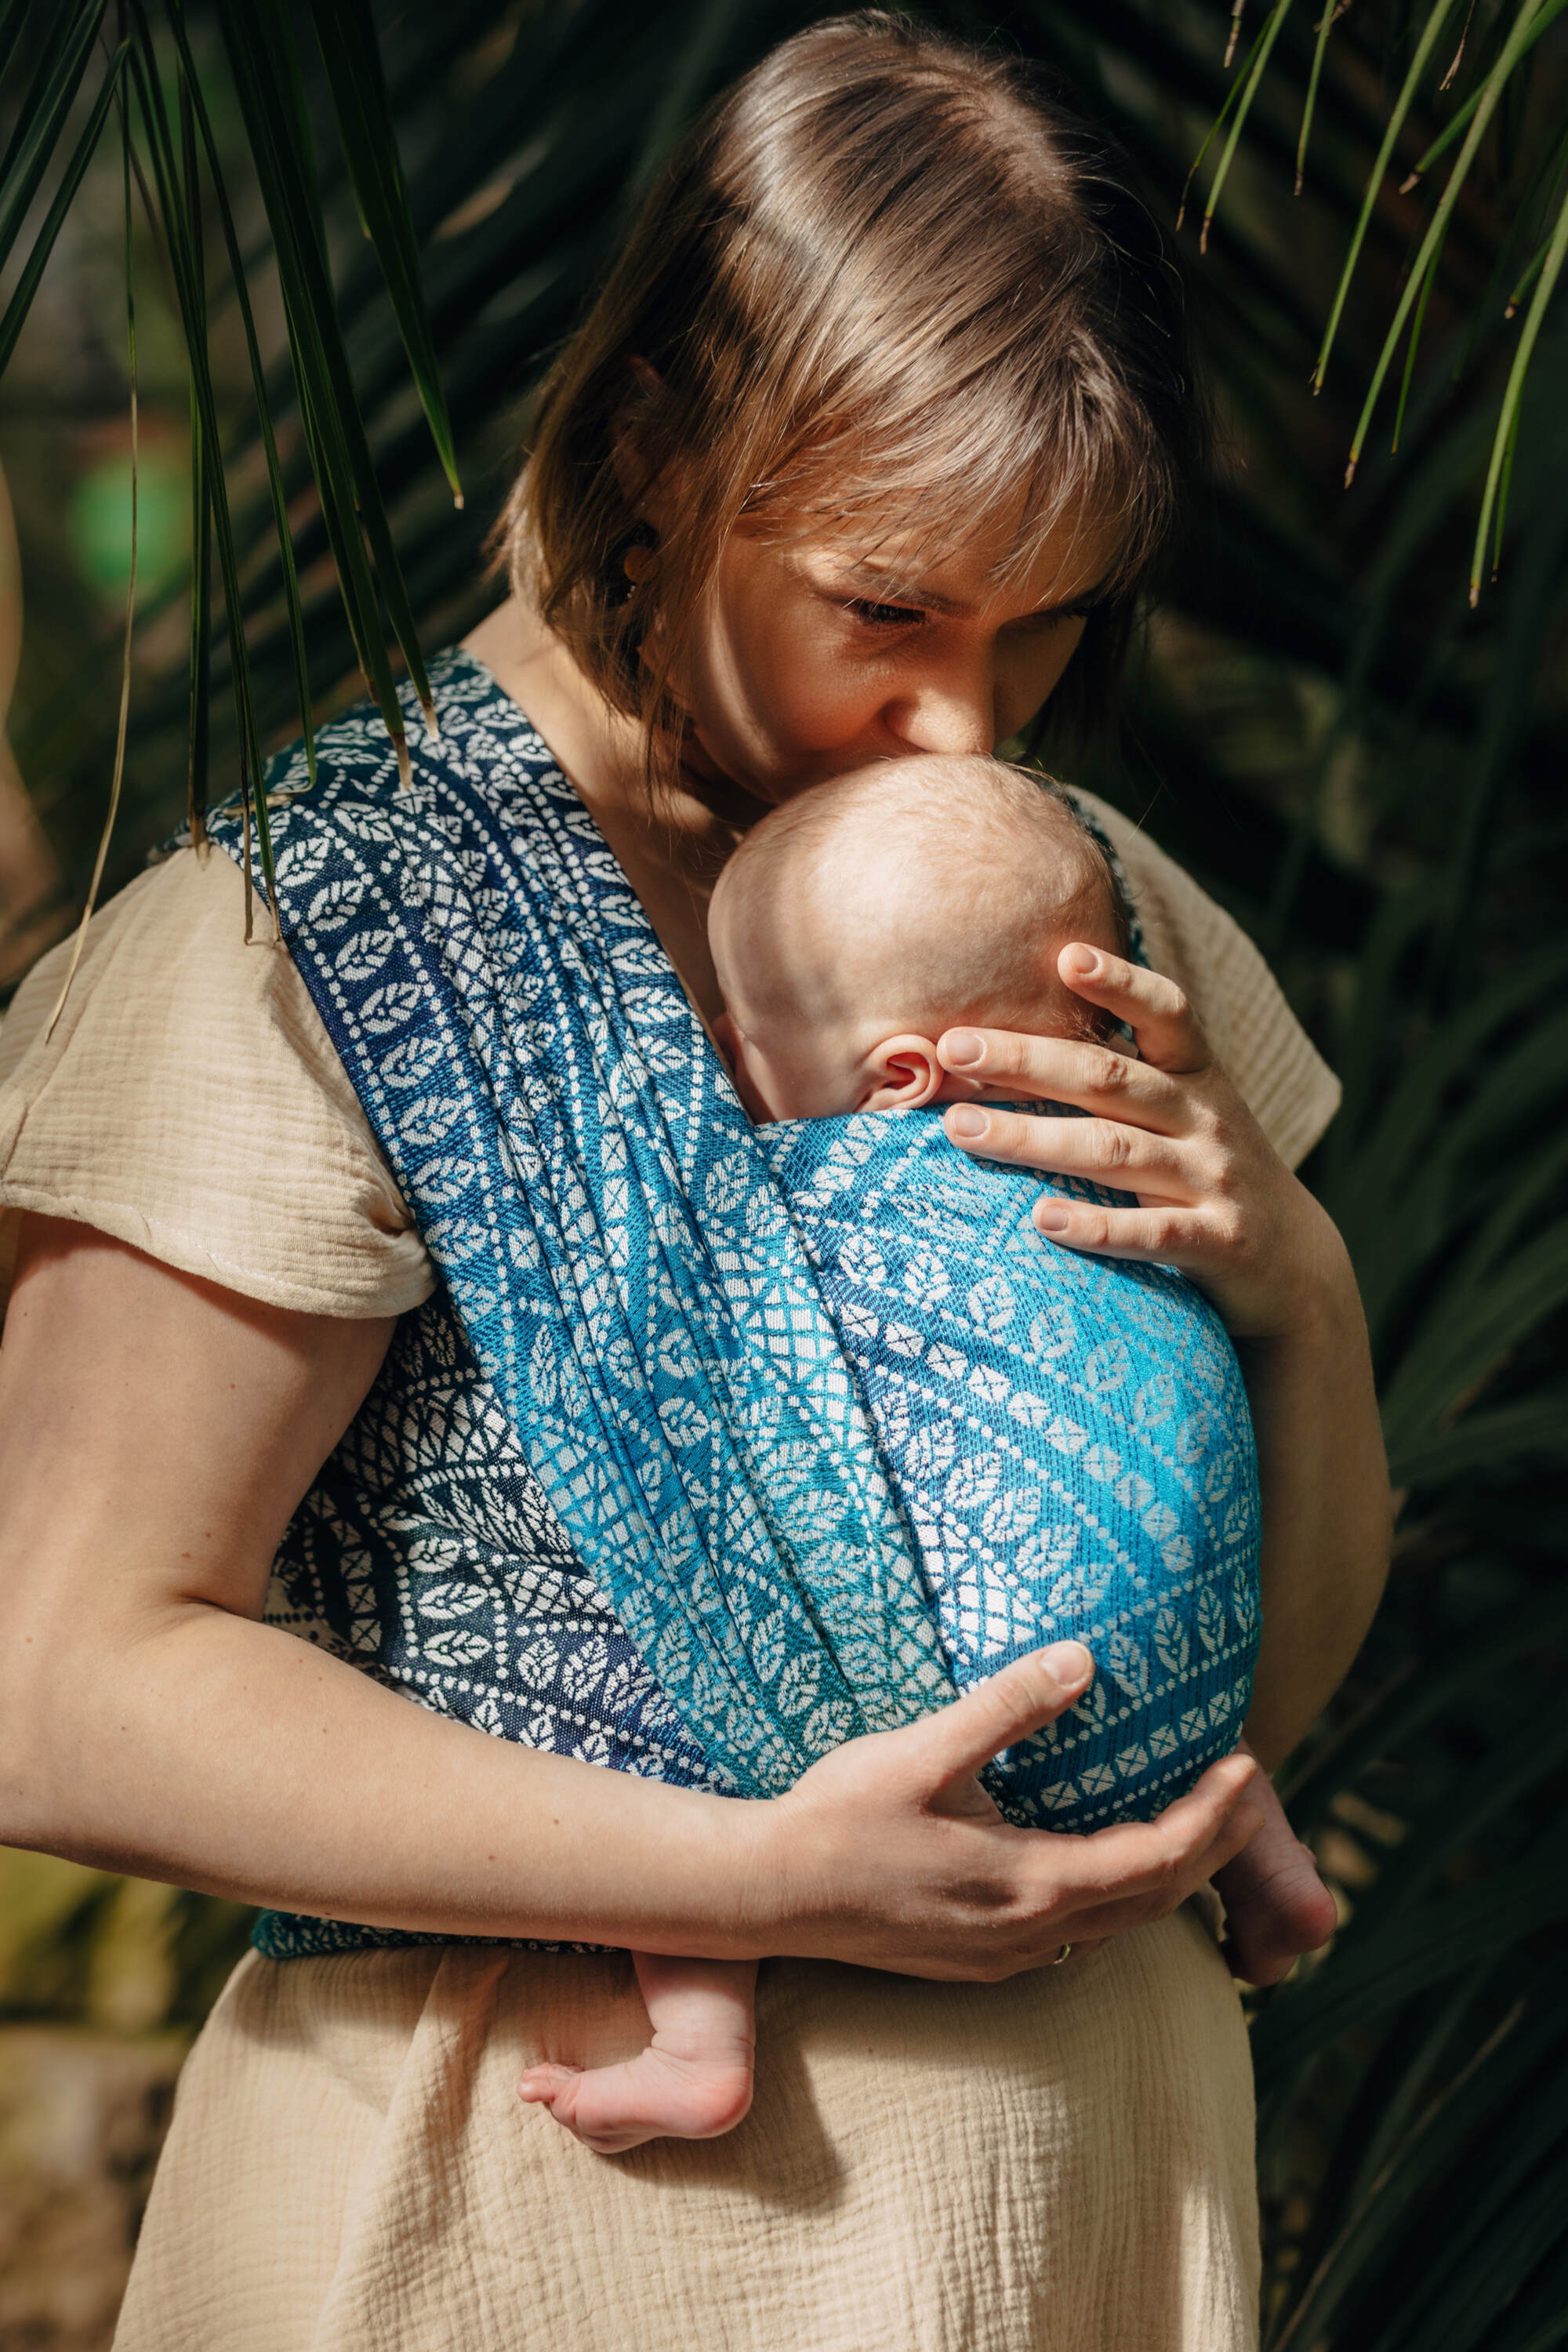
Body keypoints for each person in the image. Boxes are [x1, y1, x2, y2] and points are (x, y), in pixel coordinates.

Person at [0, 18, 1386, 2350]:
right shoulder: (305, 941)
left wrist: (1303, 1291)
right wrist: (759, 1878)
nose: (972, 716)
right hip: (518, 2251)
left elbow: (1267, 1672)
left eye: (1043, 621)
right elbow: (58, 1680)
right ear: (658, 447)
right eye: (892, 605)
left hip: (1080, 2226)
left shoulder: (1087, 904)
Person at [517, 754, 1336, 2154]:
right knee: (1155, 1692)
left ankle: (700, 2037)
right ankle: (1256, 1839)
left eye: (743, 1028)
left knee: (676, 1681)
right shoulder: (1150, 1159)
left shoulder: (793, 1179)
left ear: (898, 1076)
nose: (715, 1051)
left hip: (959, 1747)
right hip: (1191, 1708)